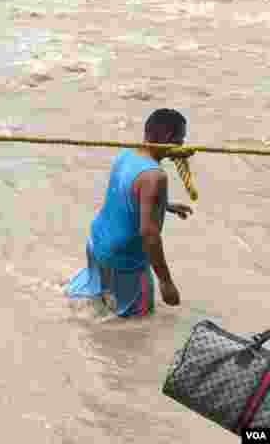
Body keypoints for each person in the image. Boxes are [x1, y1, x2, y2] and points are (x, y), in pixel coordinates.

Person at [65, 108, 193, 317]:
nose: (182, 145)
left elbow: (125, 191)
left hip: (97, 243)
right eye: (180, 139)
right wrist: (166, 282)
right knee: (137, 323)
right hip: (125, 259)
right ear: (169, 138)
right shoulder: (155, 177)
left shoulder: (127, 153)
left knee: (93, 299)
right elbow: (149, 235)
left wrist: (164, 205)